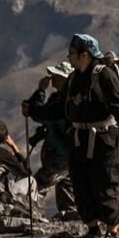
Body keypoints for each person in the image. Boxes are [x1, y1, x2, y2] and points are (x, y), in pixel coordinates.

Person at [58, 33, 119, 238]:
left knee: (106, 185)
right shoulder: (74, 78)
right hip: (80, 139)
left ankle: (112, 233)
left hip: (105, 140)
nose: (68, 57)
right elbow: (60, 108)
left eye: (72, 53)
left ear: (84, 54)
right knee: (81, 185)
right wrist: (34, 109)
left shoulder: (104, 75)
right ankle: (93, 231)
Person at [21, 63, 78, 220]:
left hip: (60, 157)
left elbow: (40, 114)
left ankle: (28, 214)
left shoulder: (65, 102)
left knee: (37, 185)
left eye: (56, 76)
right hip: (65, 155)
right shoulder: (60, 98)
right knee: (66, 190)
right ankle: (71, 220)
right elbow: (42, 116)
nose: (52, 78)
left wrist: (40, 91)